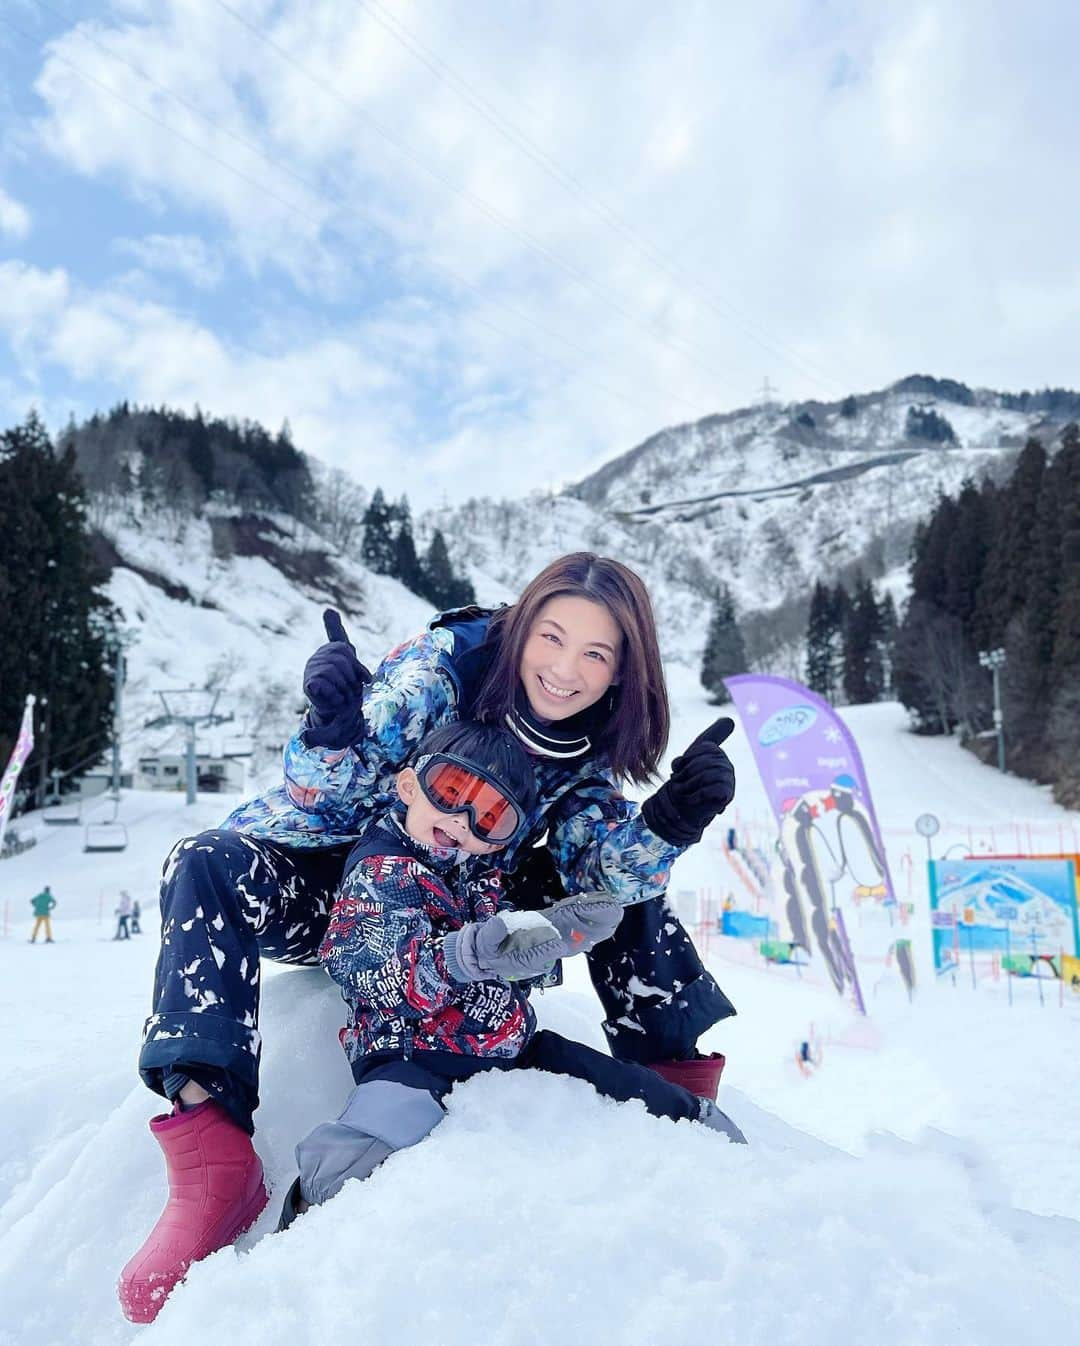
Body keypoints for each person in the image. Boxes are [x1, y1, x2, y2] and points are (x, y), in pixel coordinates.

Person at [121, 553, 739, 1322]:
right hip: (345, 881)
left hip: (471, 902)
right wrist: (332, 729)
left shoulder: (590, 744)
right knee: (203, 861)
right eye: (551, 638)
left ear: (620, 672)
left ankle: (670, 1084)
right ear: (518, 633)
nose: (564, 670)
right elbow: (322, 797)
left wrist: (666, 825)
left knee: (633, 884)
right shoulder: (444, 673)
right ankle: (210, 1149)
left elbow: (602, 873)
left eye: (594, 653)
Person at [278, 720, 744, 1226]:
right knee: (378, 1133)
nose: (463, 822)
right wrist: (469, 954)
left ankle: (711, 1137)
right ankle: (310, 1216)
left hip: (511, 1047)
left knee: (619, 1084)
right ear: (411, 785)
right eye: (451, 792)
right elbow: (377, 975)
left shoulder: (480, 873)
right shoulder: (381, 871)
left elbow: (508, 963)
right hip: (412, 1054)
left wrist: (545, 940)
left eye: (491, 819)